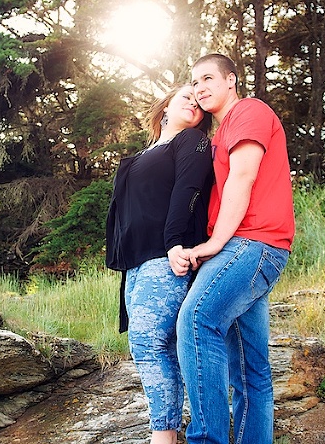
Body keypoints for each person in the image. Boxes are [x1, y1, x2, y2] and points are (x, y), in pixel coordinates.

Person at [174, 53, 295, 444]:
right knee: (250, 372)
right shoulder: (218, 135)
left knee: (195, 320)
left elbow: (242, 180)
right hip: (249, 246)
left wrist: (214, 242)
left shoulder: (249, 111)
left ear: (232, 80)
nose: (199, 88)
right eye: (194, 83)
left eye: (208, 78)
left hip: (252, 243)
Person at [106, 84, 214, 444]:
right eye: (187, 96)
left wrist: (174, 243)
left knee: (149, 341)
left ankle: (163, 436)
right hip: (136, 263)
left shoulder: (192, 142)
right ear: (166, 105)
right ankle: (167, 430)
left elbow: (188, 191)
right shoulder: (144, 154)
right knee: (147, 346)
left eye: (200, 104)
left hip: (165, 255)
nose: (195, 104)